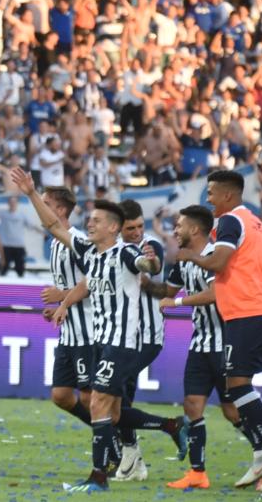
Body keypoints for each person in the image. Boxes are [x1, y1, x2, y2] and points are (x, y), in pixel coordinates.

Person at [11, 168, 172, 493]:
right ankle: (170, 426)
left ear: (113, 227)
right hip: (99, 341)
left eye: (96, 220)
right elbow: (54, 225)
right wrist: (30, 193)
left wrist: (152, 262)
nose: (90, 223)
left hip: (122, 342)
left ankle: (100, 476)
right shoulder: (91, 254)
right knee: (107, 411)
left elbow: (147, 266)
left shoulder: (125, 251)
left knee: (97, 403)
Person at [175, 170, 262, 492]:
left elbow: (218, 264)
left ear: (228, 195)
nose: (207, 198)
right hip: (254, 311)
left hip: (244, 314)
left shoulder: (228, 221)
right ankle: (260, 454)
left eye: (211, 192)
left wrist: (191, 256)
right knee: (236, 384)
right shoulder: (261, 225)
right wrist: (261, 299)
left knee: (237, 387)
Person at [140, 205, 241, 490]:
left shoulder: (214, 259)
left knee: (232, 412)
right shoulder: (182, 261)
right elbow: (168, 292)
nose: (175, 230)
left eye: (179, 225)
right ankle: (198, 472)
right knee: (192, 405)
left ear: (194, 229)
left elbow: (216, 295)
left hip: (224, 344)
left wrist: (179, 303)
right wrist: (146, 283)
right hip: (200, 344)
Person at [112, 198, 180, 481]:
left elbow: (154, 269)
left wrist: (150, 266)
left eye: (140, 226)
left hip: (146, 336)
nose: (138, 233)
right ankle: (133, 459)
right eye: (131, 228)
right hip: (120, 334)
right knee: (119, 395)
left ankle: (135, 451)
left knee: (113, 391)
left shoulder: (151, 246)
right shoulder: (113, 247)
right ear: (119, 228)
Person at [32, 184, 97, 427]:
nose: (41, 211)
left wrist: (62, 295)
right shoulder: (55, 244)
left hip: (88, 332)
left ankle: (117, 441)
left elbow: (95, 283)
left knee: (91, 397)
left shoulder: (78, 241)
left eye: (46, 204)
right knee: (61, 396)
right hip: (69, 332)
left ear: (60, 209)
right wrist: (61, 305)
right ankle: (110, 435)